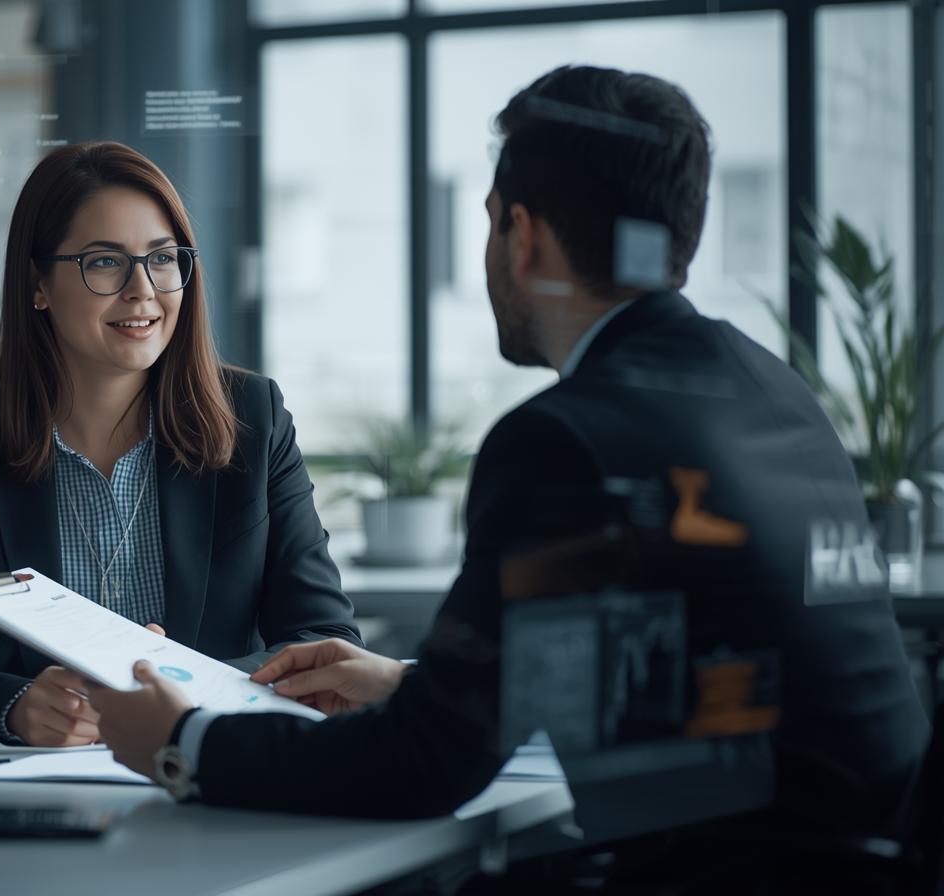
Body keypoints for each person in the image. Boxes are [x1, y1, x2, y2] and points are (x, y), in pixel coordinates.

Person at [89, 65, 929, 845]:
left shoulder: (563, 440)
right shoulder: (769, 388)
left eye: (490, 220)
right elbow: (684, 669)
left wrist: (182, 740)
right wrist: (420, 685)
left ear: (522, 235)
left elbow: (420, 767)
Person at [0, 142, 361, 747]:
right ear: (38, 284)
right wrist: (16, 706)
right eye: (104, 262)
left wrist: (184, 690)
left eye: (162, 259)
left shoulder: (252, 421)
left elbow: (323, 639)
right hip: (30, 784)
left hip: (207, 770)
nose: (142, 290)